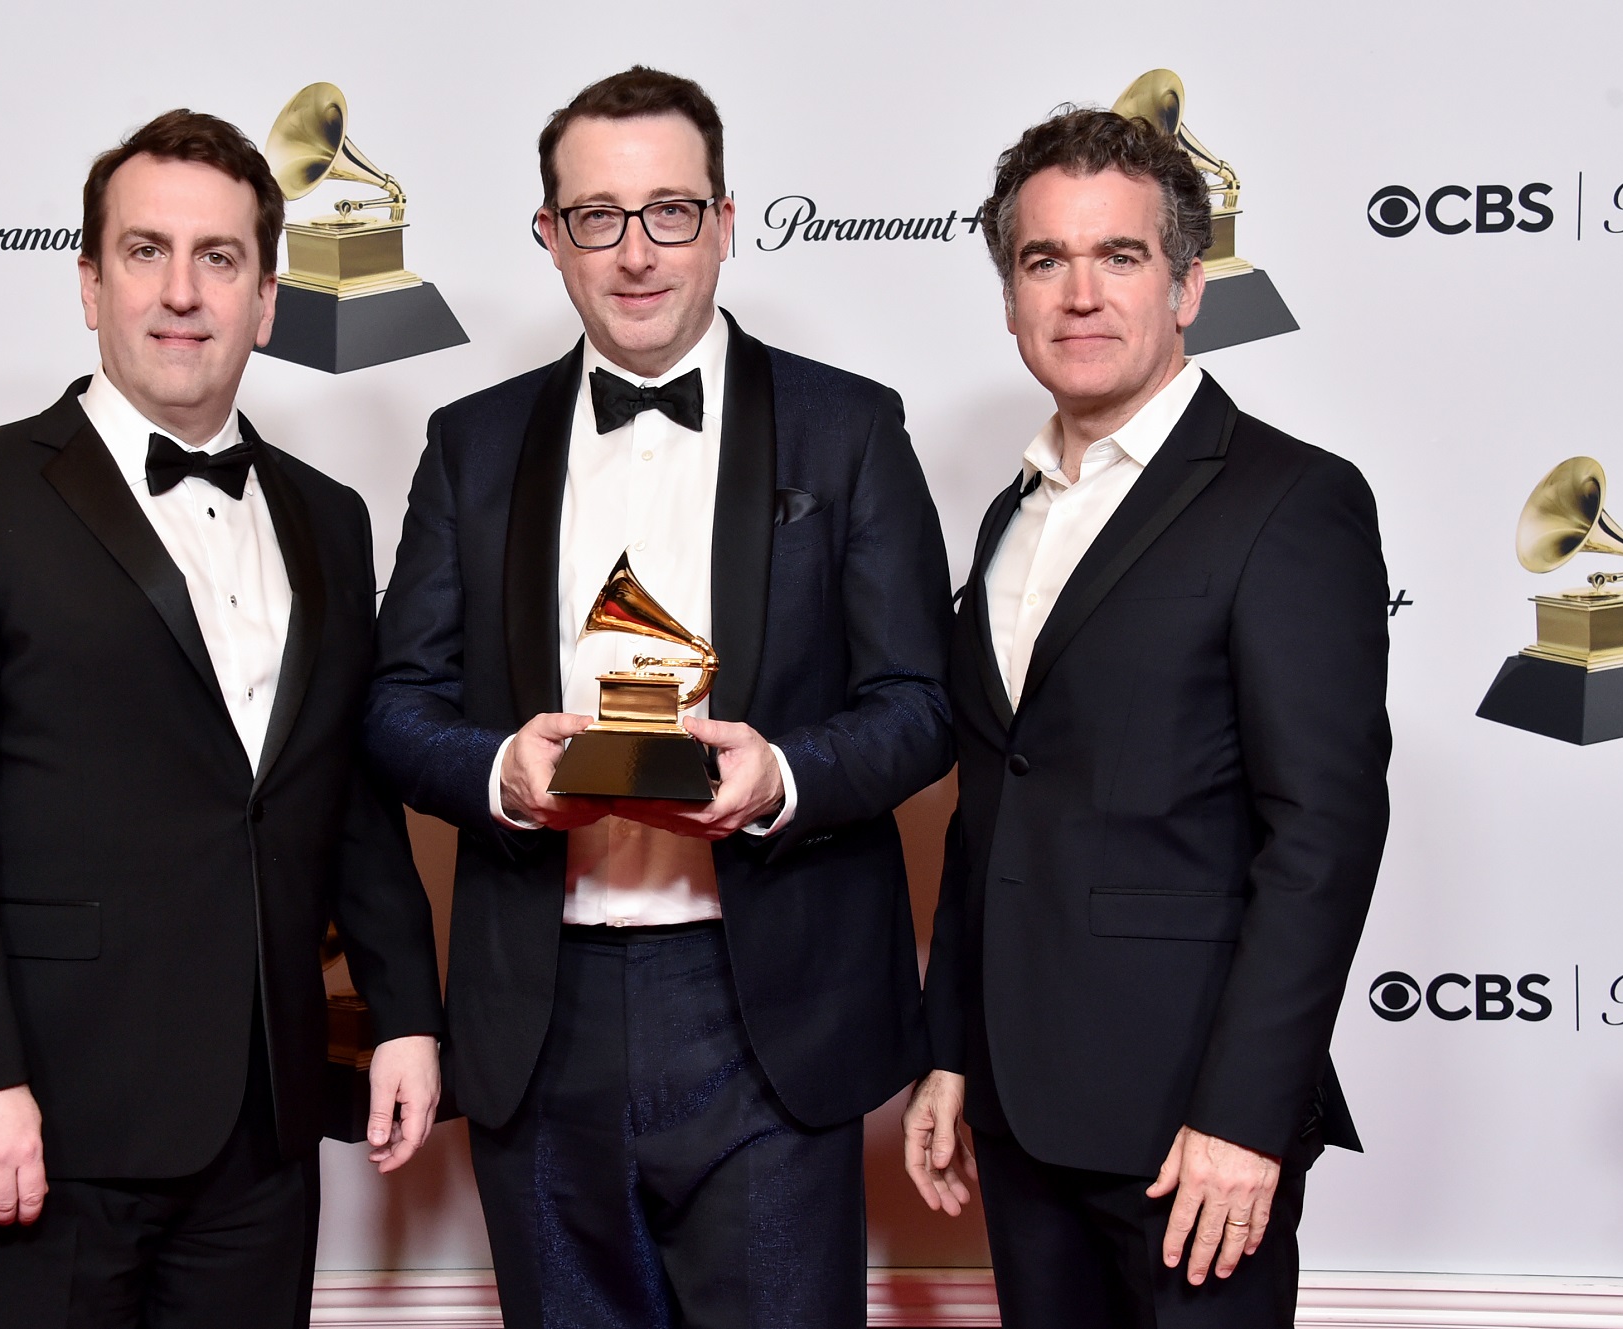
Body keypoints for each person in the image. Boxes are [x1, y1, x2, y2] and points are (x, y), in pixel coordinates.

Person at [367, 66, 953, 1328]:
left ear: (727, 221)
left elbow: (918, 701)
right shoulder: (468, 445)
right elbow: (395, 705)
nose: (635, 253)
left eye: (670, 212)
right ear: (549, 237)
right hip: (541, 1006)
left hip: (769, 1006)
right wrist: (497, 775)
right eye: (596, 217)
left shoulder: (849, 430)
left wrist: (781, 777)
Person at [0, 109, 444, 1329]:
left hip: (263, 1123)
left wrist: (405, 1018)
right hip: (41, 1121)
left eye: (219, 258)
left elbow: (347, 800)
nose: (182, 292)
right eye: (145, 252)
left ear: (268, 299)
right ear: (89, 282)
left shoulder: (329, 516)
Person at [902, 107, 1391, 1328]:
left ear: (1186, 286)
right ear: (1009, 298)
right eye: (1040, 261)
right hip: (1017, 1110)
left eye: (1117, 257)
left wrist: (1242, 1117)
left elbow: (1320, 837)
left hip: (1192, 1134)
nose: (1077, 295)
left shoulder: (1292, 502)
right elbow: (990, 811)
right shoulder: (1009, 516)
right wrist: (952, 1050)